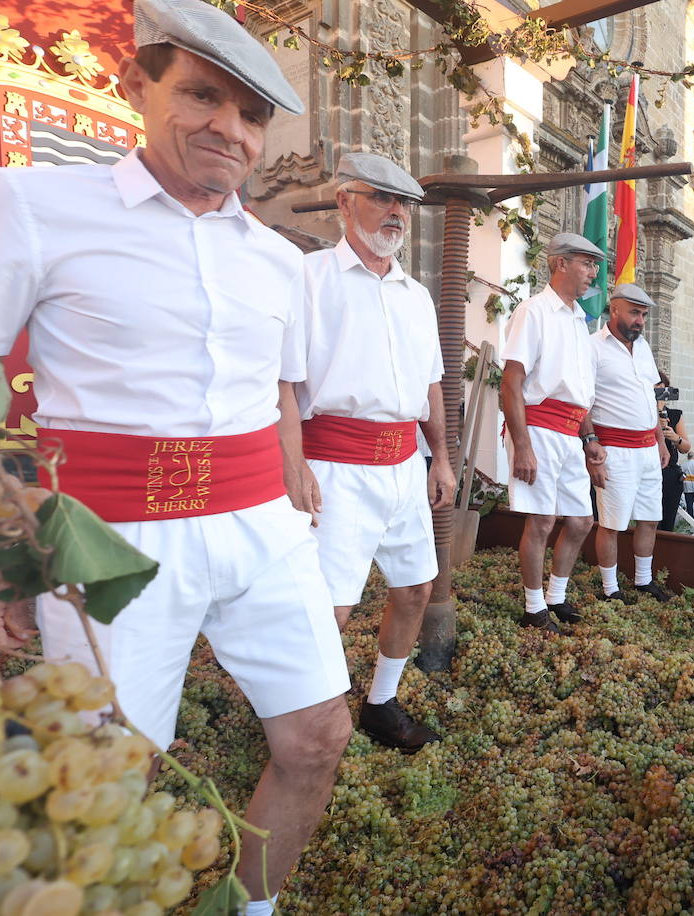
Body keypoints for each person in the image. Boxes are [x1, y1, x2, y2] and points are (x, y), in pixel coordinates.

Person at [0, 3, 352, 910]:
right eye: (202, 96)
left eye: (252, 114)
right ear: (138, 86)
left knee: (320, 738)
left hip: (263, 531)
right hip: (111, 544)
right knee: (109, 785)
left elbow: (282, 392)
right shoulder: (34, 205)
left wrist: (298, 483)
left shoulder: (280, 263)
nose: (230, 129)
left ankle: (252, 909)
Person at [295, 152, 454, 752]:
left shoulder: (416, 296)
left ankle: (381, 703)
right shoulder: (310, 279)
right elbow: (281, 384)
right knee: (329, 611)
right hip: (332, 467)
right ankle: (310, 724)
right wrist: (292, 467)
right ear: (343, 201)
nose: (395, 212)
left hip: (403, 468)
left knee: (414, 588)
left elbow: (431, 383)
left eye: (404, 203)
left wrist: (439, 457)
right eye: (381, 197)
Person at [500, 233, 607, 633]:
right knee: (542, 522)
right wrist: (522, 445)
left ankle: (555, 597)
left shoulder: (581, 320)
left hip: (570, 431)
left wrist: (591, 439)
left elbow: (580, 393)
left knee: (581, 522)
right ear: (559, 263)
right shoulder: (534, 311)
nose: (593, 272)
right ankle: (533, 609)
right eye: (586, 263)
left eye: (595, 264)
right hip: (540, 426)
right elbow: (511, 382)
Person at [589, 283, 672, 602]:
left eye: (644, 315)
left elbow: (650, 397)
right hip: (614, 449)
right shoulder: (593, 346)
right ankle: (610, 589)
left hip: (648, 450)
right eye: (635, 313)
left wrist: (661, 441)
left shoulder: (644, 348)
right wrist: (590, 444)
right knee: (611, 523)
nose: (640, 321)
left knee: (650, 517)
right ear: (614, 310)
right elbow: (584, 400)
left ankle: (643, 580)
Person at [657, 373, 693, 532]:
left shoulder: (674, 414)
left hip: (669, 474)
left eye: (662, 387)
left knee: (666, 524)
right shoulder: (638, 414)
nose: (659, 391)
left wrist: (675, 437)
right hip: (644, 470)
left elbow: (686, 447)